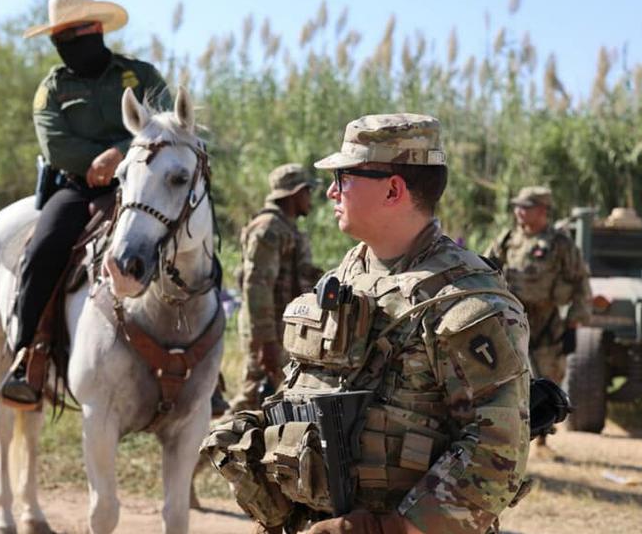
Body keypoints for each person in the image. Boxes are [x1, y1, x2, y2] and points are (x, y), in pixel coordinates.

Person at [202, 114, 532, 534]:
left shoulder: (467, 301)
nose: (331, 190)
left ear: (393, 189)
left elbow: (497, 450)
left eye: (345, 176)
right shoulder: (350, 274)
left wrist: (392, 529)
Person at [0, 0, 172, 408]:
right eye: (57, 38)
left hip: (144, 184)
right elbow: (55, 144)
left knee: (188, 239)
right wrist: (95, 163)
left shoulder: (140, 74)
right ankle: (28, 355)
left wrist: (118, 152)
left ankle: (206, 367)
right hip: (78, 188)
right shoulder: (52, 89)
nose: (64, 45)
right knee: (43, 249)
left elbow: (169, 126)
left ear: (95, 30)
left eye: (71, 35)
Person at [485, 185, 591, 454]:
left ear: (543, 210)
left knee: (548, 378)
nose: (519, 211)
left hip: (547, 323)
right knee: (508, 377)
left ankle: (541, 438)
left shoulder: (560, 243)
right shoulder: (508, 239)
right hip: (511, 318)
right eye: (517, 206)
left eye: (526, 206)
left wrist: (574, 324)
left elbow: (580, 282)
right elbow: (486, 269)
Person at [228, 163, 323, 413]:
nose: (310, 198)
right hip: (267, 331)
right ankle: (214, 447)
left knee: (273, 399)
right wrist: (266, 342)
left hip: (281, 328)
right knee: (252, 399)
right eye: (308, 191)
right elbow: (256, 286)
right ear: (295, 193)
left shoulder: (286, 228)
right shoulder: (269, 228)